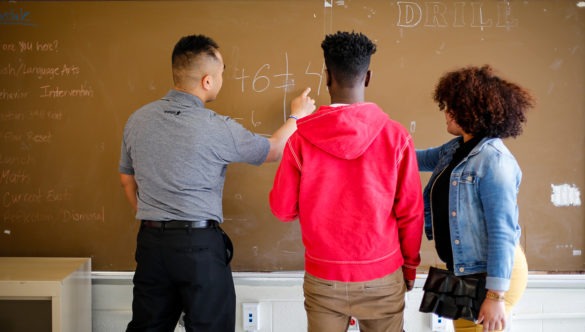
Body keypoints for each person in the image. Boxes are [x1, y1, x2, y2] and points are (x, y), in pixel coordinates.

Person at [118, 34, 315, 332]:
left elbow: (126, 180)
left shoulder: (137, 120)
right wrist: (297, 116)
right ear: (207, 81)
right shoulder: (215, 127)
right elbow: (274, 149)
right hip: (198, 247)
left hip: (151, 243)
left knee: (148, 327)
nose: (224, 78)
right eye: (222, 72)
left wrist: (153, 217)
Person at [269, 31, 424, 332]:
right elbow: (411, 212)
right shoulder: (396, 137)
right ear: (367, 77)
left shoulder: (300, 139)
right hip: (383, 273)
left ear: (327, 77)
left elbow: (282, 210)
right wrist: (410, 266)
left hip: (324, 275)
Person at [416, 65, 534, 332]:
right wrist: (378, 143)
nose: (446, 112)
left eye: (453, 106)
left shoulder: (494, 160)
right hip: (467, 272)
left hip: (492, 276)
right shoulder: (456, 149)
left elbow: (502, 232)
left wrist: (495, 296)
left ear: (473, 110)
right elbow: (414, 158)